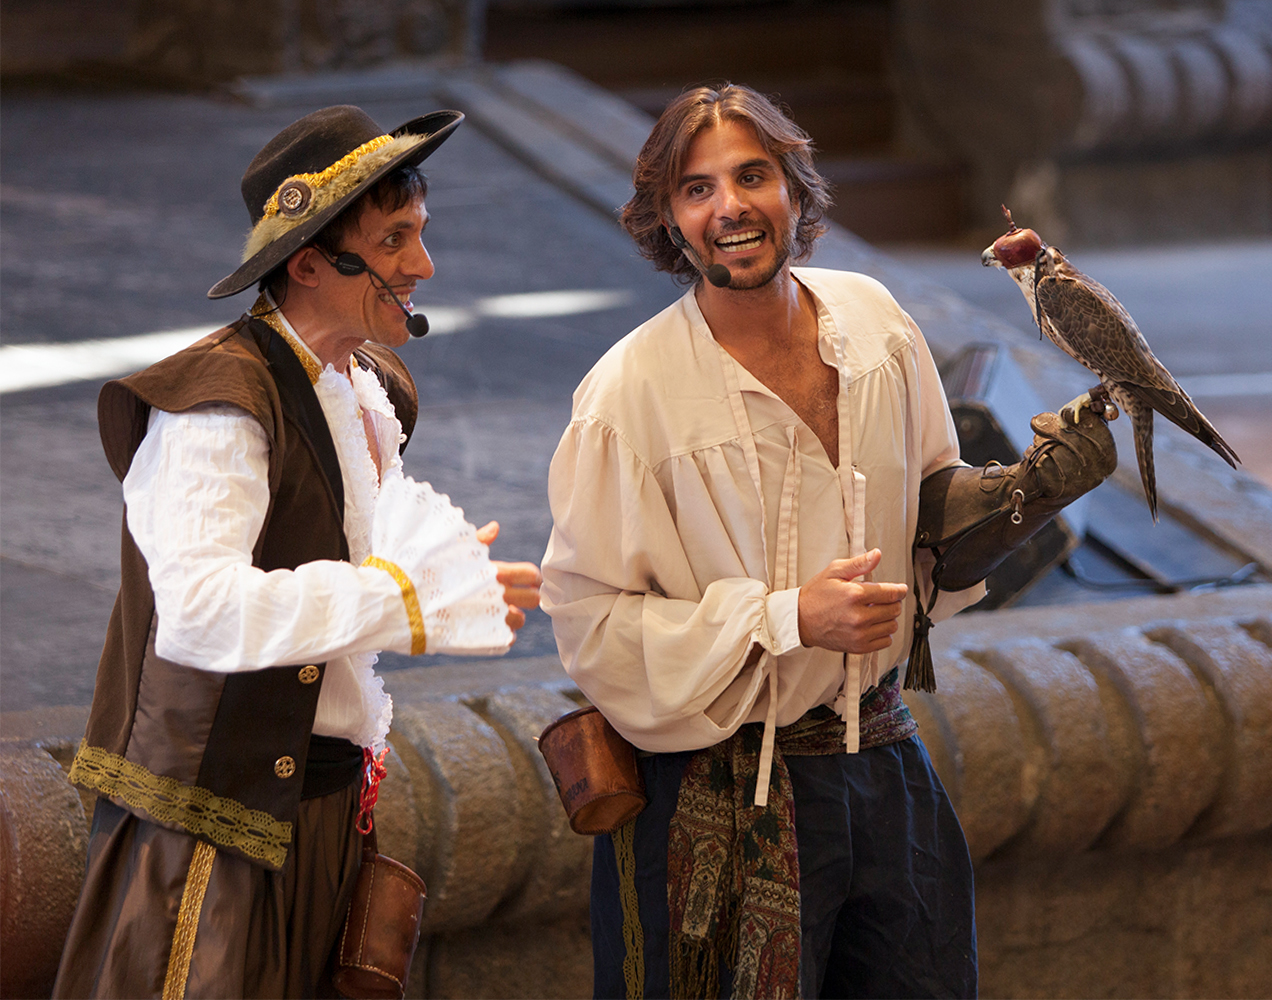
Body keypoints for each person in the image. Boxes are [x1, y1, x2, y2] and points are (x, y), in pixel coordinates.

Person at [541, 84, 1115, 999]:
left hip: (884, 762)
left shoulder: (878, 325)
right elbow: (592, 626)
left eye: (753, 175)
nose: (728, 205)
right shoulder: (628, 397)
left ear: (796, 191)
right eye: (697, 189)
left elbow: (932, 519)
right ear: (668, 219)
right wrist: (786, 617)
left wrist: (1029, 496)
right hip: (721, 795)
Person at [52, 104, 542, 999]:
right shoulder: (216, 406)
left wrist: (444, 580)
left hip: (325, 814)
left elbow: (352, 561)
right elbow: (199, 615)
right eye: (394, 240)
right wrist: (403, 596)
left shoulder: (370, 389)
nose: (422, 267)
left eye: (419, 235)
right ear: (310, 260)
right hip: (212, 837)